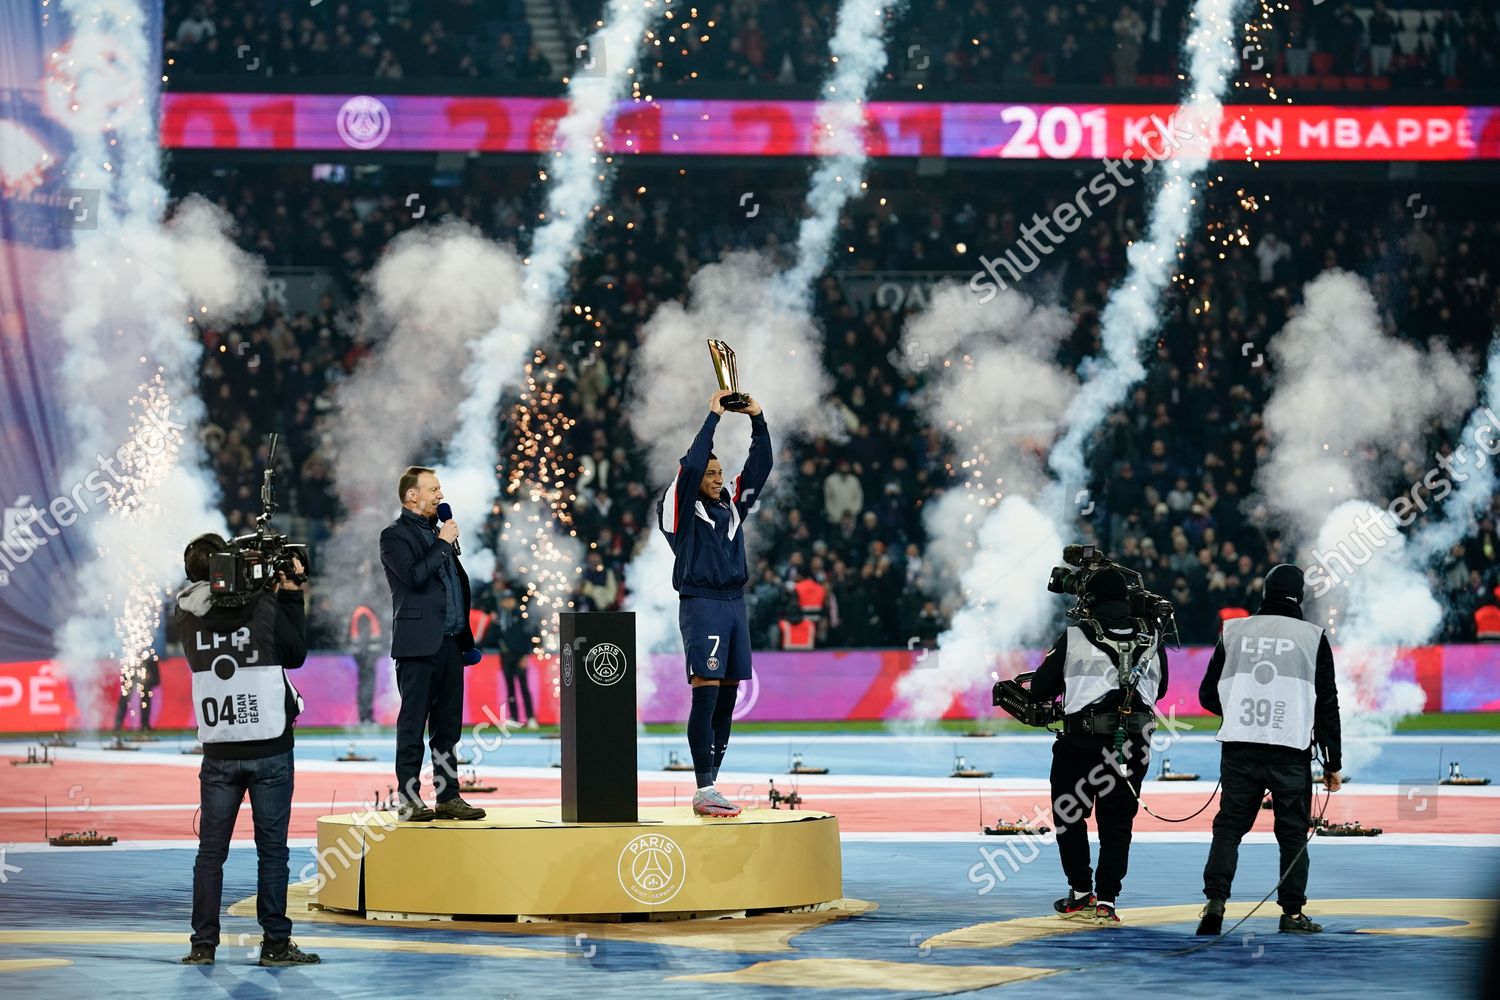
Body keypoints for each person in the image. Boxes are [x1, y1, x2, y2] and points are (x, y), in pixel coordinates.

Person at [175, 534, 319, 967]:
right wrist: (287, 593)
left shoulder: (184, 616)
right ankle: (275, 943)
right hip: (269, 744)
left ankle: (203, 945)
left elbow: (215, 609)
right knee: (272, 851)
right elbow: (295, 654)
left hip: (219, 749)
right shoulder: (262, 605)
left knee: (210, 854)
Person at [1196, 564, 1342, 935]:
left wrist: (1241, 711)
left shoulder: (1235, 631)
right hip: (1290, 750)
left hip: (1240, 748)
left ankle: (1215, 902)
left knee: (1228, 827)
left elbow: (1207, 695)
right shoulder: (1312, 637)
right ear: (1300, 596)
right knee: (1293, 833)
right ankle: (1292, 914)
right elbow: (1327, 704)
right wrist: (1333, 761)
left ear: (1264, 593)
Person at [1029, 567, 1169, 924]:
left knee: (1070, 816)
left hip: (1080, 743)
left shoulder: (1075, 635)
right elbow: (1161, 688)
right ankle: (1108, 899)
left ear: (1089, 599)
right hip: (1132, 746)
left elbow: (1042, 687)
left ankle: (1080, 891)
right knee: (1117, 824)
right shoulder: (1152, 635)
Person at [656, 389, 772, 817]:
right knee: (705, 693)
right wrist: (713, 417)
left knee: (727, 696)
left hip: (734, 604)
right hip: (702, 602)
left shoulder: (733, 508)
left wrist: (758, 419)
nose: (718, 478)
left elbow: (759, 468)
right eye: (710, 473)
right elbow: (690, 465)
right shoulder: (677, 509)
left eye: (720, 472)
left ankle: (713, 785)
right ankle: (702, 787)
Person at [379, 466, 486, 823]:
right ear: (412, 496)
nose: (440, 495)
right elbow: (414, 578)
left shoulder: (439, 535)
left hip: (452, 643)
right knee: (412, 726)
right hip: (418, 646)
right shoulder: (394, 536)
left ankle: (448, 796)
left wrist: (443, 542)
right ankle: (408, 798)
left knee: (447, 727)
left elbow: (453, 585)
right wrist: (442, 543)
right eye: (433, 489)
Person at [489, 588, 538, 729]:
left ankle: (530, 717)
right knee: (510, 687)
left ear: (514, 601)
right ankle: (514, 717)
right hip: (506, 656)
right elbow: (492, 638)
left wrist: (525, 655)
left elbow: (527, 637)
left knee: (524, 687)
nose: (508, 602)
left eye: (510, 599)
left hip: (519, 655)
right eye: (505, 600)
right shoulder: (499, 618)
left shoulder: (521, 616)